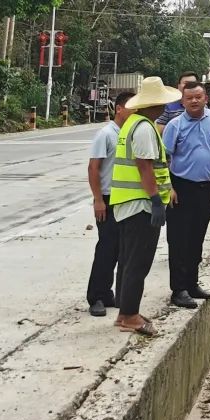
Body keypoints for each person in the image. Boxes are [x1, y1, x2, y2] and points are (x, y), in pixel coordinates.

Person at [109, 75, 180, 336]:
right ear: (156, 105)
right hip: (140, 204)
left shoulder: (132, 124)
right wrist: (155, 200)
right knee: (138, 261)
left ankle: (126, 311)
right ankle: (129, 315)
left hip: (128, 203)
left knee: (129, 260)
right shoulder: (145, 129)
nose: (165, 107)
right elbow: (145, 166)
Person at [162, 81, 210, 308]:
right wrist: (168, 188)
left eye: (198, 97)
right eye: (189, 98)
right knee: (178, 239)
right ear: (182, 101)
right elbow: (163, 158)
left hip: (207, 188)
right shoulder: (175, 125)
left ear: (206, 98)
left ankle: (192, 284)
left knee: (197, 236)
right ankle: (179, 289)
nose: (194, 101)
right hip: (181, 188)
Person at [85, 90, 132, 317]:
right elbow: (93, 168)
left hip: (125, 199)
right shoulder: (106, 134)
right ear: (119, 109)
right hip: (107, 198)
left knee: (120, 249)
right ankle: (96, 297)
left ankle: (107, 292)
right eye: (131, 107)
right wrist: (97, 200)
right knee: (106, 248)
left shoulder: (131, 133)